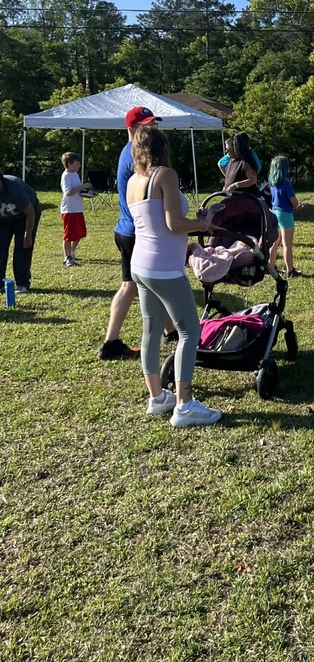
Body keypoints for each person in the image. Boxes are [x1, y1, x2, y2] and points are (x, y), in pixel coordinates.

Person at [127, 125, 222, 427]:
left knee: (151, 331)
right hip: (164, 267)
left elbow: (154, 221)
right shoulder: (165, 175)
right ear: (162, 146)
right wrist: (204, 225)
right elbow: (172, 224)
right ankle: (184, 404)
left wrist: (193, 223)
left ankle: (158, 397)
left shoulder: (133, 180)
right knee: (189, 332)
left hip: (140, 265)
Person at [99, 105, 164, 360]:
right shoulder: (135, 154)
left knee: (132, 286)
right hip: (136, 231)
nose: (153, 129)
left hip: (127, 228)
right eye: (147, 125)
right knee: (154, 284)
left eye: (154, 124)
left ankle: (111, 342)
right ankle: (112, 342)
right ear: (132, 128)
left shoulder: (131, 151)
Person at [0, 172, 41, 296]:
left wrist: (27, 235)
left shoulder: (13, 186)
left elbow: (30, 212)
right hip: (3, 220)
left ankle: (22, 284)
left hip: (25, 217)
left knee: (22, 247)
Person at [268, 155, 303, 278]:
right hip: (285, 214)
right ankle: (290, 270)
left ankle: (270, 266)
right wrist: (298, 206)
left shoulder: (272, 183)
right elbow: (293, 201)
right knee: (287, 244)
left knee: (275, 242)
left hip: (275, 212)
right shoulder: (286, 184)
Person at [60, 152, 91, 267]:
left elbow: (77, 192)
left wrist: (87, 193)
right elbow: (68, 192)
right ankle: (67, 257)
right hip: (69, 210)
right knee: (69, 235)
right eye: (77, 163)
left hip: (78, 208)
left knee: (79, 233)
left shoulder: (75, 175)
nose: (79, 166)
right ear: (69, 164)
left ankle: (72, 253)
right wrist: (84, 186)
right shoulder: (66, 175)